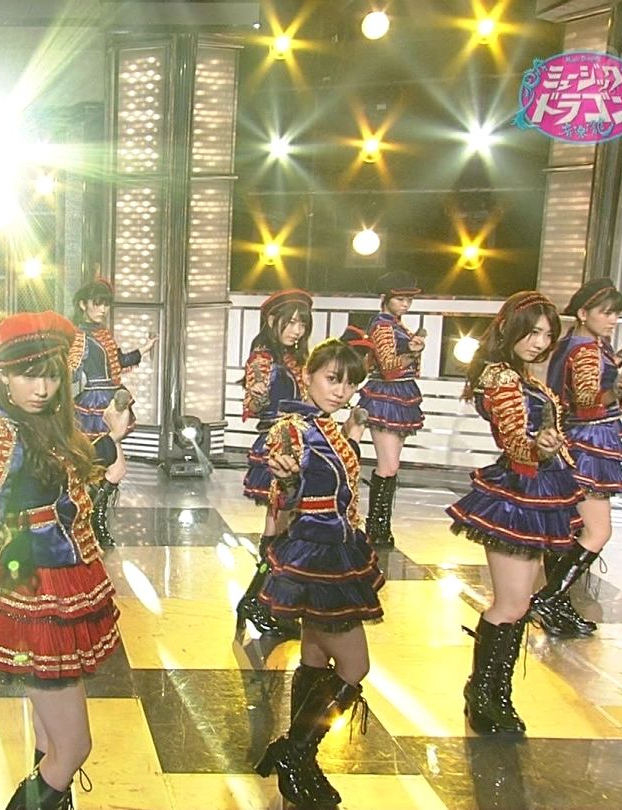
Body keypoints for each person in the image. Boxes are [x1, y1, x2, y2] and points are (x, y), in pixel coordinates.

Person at [0, 311, 130, 810]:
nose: (42, 388)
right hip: (40, 591)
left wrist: (111, 438)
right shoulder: (2, 430)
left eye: (52, 375)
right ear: (3, 376)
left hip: (62, 585)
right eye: (29, 375)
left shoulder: (43, 425)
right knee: (74, 747)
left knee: (51, 738)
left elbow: (72, 476)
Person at [250, 339, 381, 809]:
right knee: (355, 666)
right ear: (307, 375)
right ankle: (295, 752)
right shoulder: (294, 428)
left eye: (349, 383)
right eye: (332, 378)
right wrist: (284, 477)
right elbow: (282, 487)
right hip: (319, 558)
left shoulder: (326, 427)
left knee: (314, 655)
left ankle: (299, 759)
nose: (341, 390)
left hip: (331, 551)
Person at [445, 291, 581, 736]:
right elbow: (514, 440)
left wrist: (549, 450)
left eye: (547, 334)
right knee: (511, 602)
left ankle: (492, 693)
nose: (539, 342)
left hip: (536, 489)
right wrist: (538, 447)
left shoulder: (518, 374)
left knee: (517, 603)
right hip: (518, 492)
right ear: (508, 327)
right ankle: (484, 693)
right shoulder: (502, 377)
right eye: (533, 331)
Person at [535, 279, 622, 636]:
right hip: (589, 443)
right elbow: (587, 402)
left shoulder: (571, 345)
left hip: (573, 441)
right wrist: (616, 391)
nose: (613, 320)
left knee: (568, 529)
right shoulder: (586, 350)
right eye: (606, 313)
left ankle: (557, 607)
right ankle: (548, 599)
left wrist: (621, 359)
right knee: (598, 530)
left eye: (615, 313)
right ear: (583, 313)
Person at [237, 289, 312, 637]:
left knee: (283, 526)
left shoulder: (293, 358)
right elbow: (254, 404)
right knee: (277, 526)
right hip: (278, 444)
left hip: (298, 444)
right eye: (291, 322)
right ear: (271, 320)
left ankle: (260, 600)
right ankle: (257, 600)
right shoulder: (263, 357)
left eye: (302, 324)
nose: (297, 330)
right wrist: (256, 392)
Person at [67, 278, 157, 547]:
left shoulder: (101, 333)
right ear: (83, 304)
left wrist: (144, 349)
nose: (103, 309)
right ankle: (89, 522)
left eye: (106, 304)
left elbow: (117, 362)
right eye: (97, 304)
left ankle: (91, 521)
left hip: (110, 399)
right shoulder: (80, 336)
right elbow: (70, 371)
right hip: (95, 405)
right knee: (105, 467)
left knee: (111, 469)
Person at [358, 271, 425, 547]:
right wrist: (412, 352)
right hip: (387, 395)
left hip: (399, 394)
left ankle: (380, 525)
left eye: (409, 299)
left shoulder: (396, 325)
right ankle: (376, 525)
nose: (405, 304)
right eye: (400, 299)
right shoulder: (383, 326)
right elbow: (388, 367)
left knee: (391, 465)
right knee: (389, 464)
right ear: (385, 298)